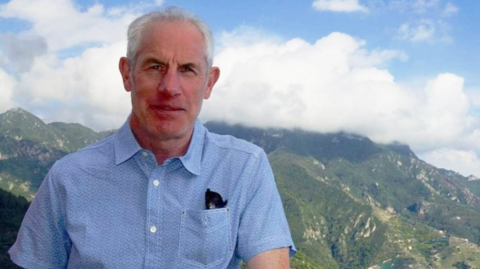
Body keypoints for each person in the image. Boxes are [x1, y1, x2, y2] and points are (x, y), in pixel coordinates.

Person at [9, 6, 295, 269]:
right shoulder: (68, 177)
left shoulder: (244, 167)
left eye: (187, 69)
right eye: (155, 66)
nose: (170, 87)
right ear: (127, 74)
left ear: (209, 82)